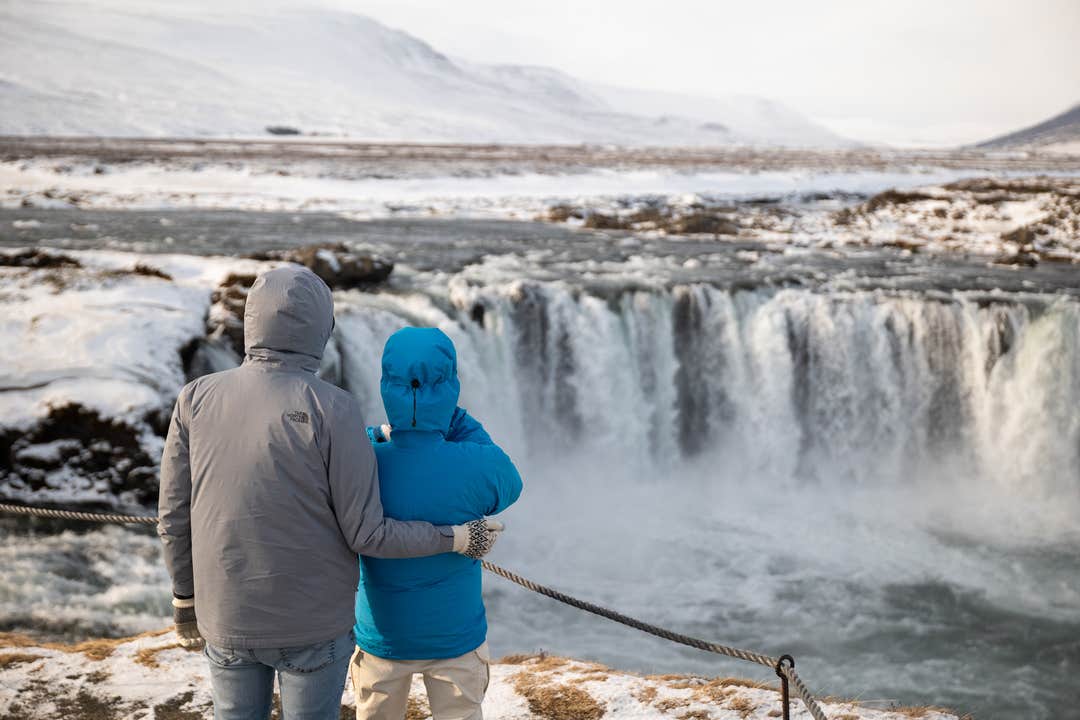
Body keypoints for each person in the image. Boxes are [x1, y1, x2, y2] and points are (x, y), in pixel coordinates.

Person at [158, 266, 500, 720]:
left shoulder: (195, 397)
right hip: (313, 627)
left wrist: (185, 602)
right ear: (322, 328)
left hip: (226, 618)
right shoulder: (333, 407)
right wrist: (456, 538)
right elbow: (367, 533)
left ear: (252, 321)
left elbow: (173, 517)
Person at [350, 327, 523, 720]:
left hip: (382, 638)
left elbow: (339, 446)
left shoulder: (362, 461)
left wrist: (382, 431)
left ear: (386, 386)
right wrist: (447, 412)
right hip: (455, 636)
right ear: (449, 387)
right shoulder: (476, 464)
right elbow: (509, 481)